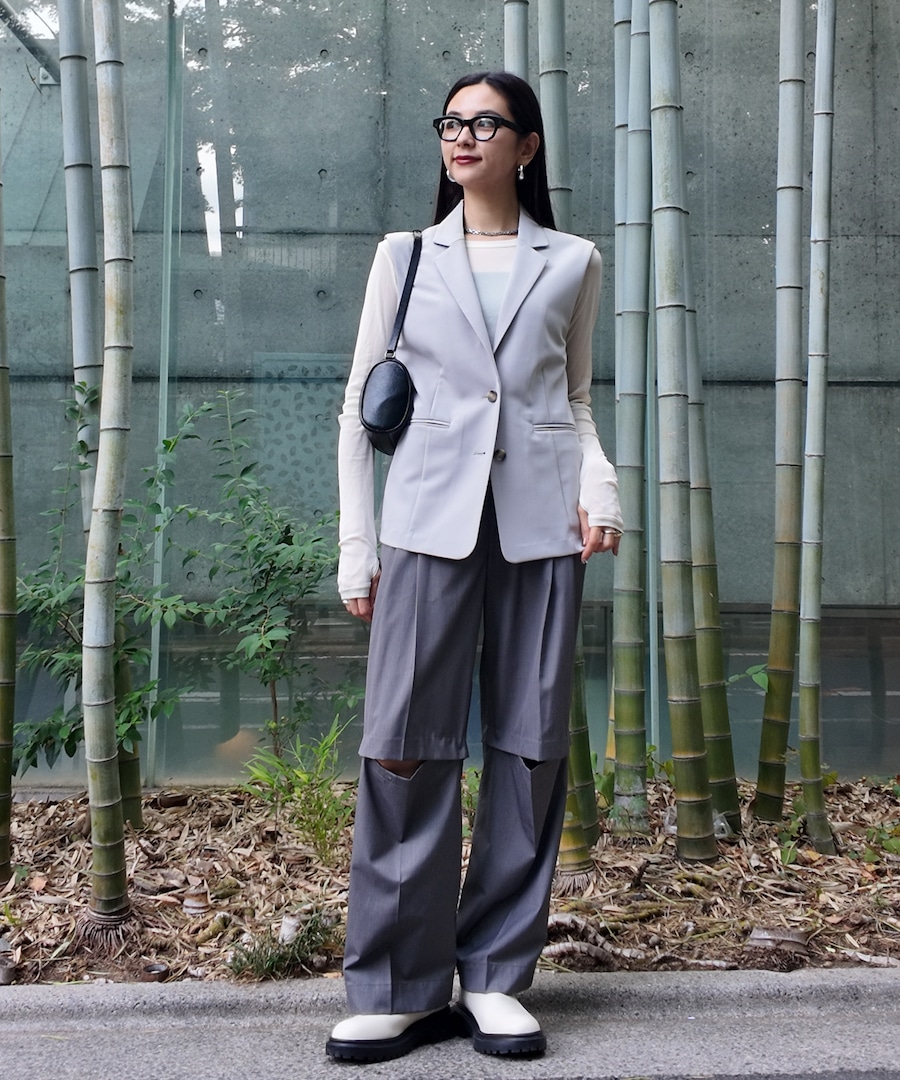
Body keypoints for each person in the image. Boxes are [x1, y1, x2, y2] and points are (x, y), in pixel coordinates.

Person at [327, 70, 623, 1064]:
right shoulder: (404, 256)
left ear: (527, 146)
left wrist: (601, 484)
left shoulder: (573, 260)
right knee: (403, 746)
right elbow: (359, 407)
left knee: (531, 747)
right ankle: (399, 986)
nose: (463, 136)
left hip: (542, 528)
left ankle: (495, 974)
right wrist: (358, 544)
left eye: (486, 123)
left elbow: (573, 401)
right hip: (424, 523)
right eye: (451, 122)